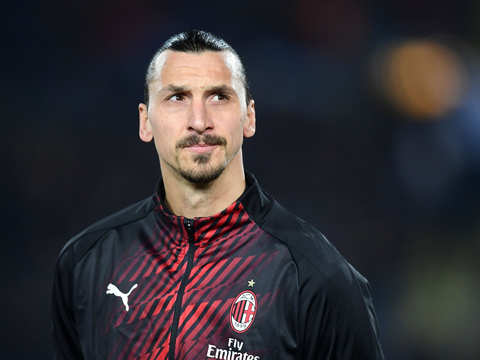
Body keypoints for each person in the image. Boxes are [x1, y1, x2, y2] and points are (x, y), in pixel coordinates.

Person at [52, 30, 384, 360]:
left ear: (249, 118)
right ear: (145, 121)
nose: (199, 121)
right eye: (177, 98)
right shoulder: (86, 263)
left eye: (219, 97)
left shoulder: (316, 276)